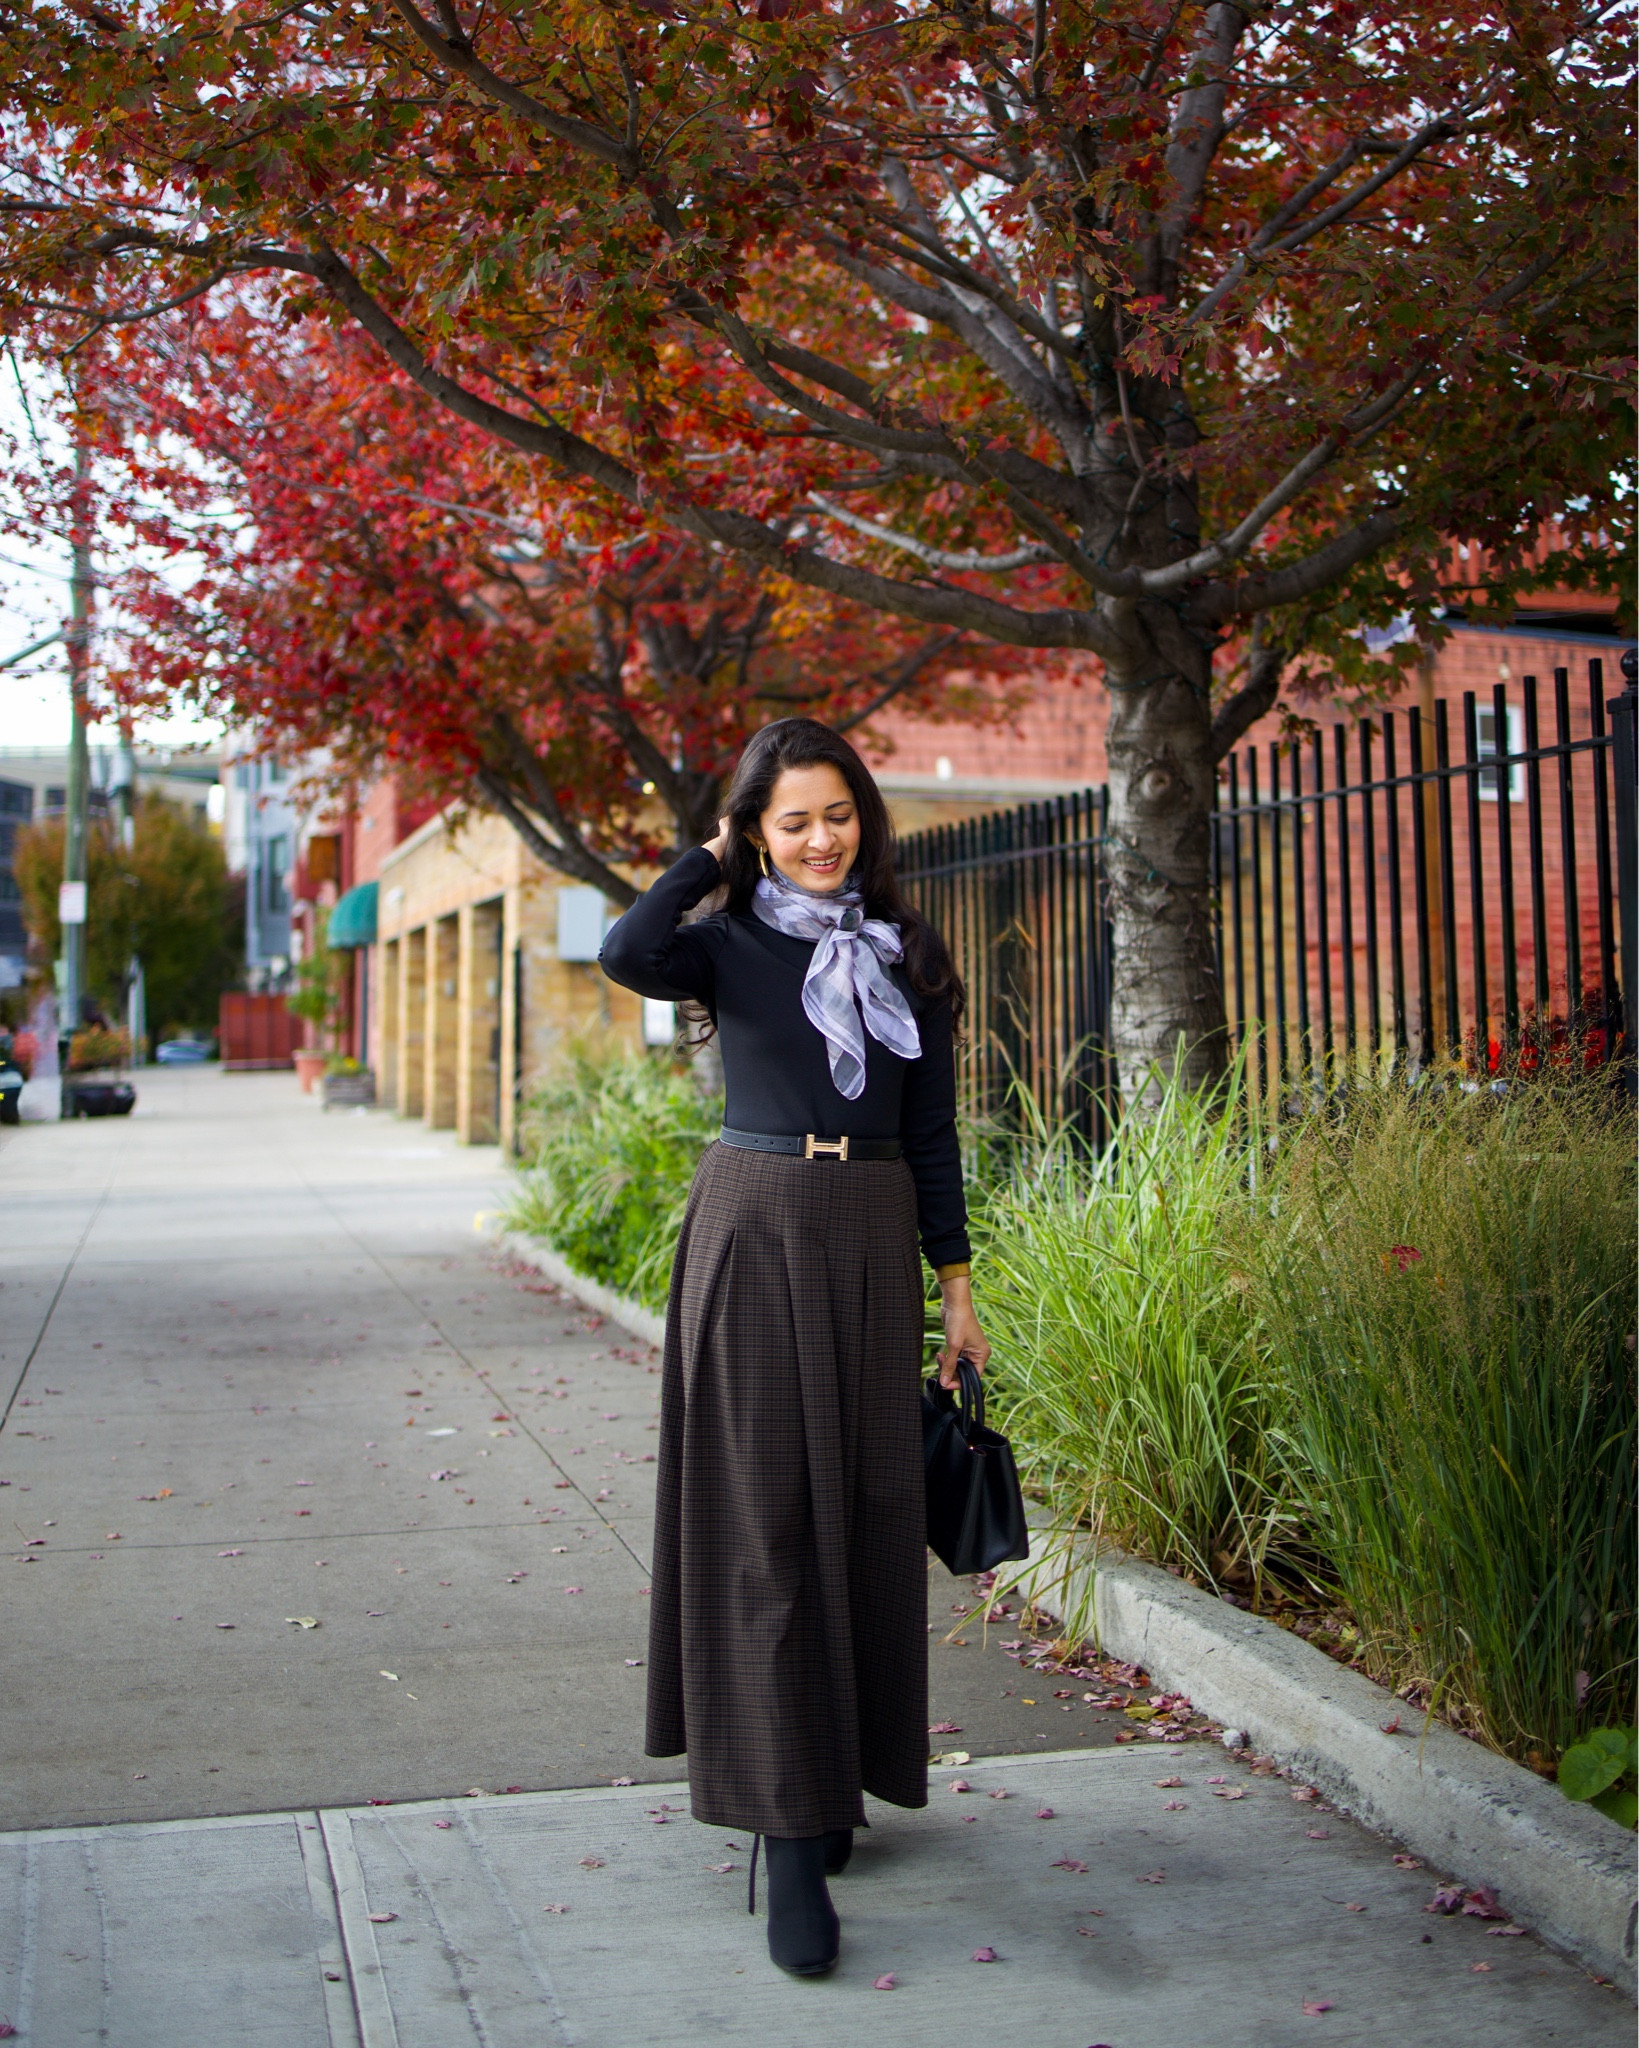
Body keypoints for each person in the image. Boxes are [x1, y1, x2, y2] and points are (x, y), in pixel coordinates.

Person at [599, 717, 990, 1978]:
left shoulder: (910, 956)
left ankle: (839, 1784)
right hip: (755, 1228)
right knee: (767, 1521)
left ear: (865, 821)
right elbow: (627, 949)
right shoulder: (722, 944)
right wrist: (704, 858)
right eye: (793, 820)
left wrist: (959, 1287)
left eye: (838, 815)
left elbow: (931, 1139)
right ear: (760, 832)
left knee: (868, 1513)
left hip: (873, 1234)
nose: (822, 840)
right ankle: (782, 1821)